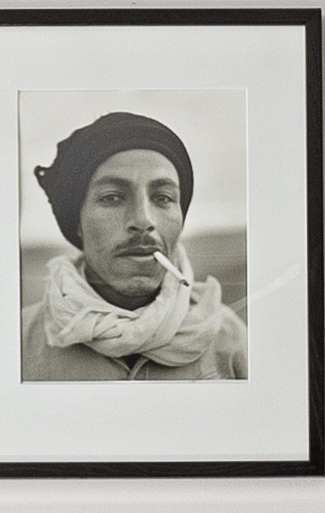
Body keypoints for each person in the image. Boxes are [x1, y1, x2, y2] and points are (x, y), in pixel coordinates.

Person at [16, 110, 247, 380]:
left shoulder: (229, 338)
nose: (143, 220)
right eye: (112, 197)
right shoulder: (18, 343)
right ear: (76, 220)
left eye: (163, 197)